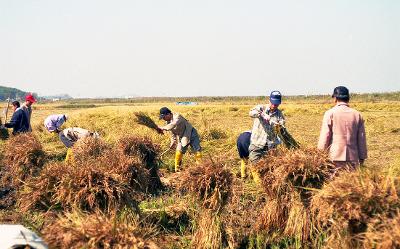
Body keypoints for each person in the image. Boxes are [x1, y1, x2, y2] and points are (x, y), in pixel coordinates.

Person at [318, 86, 367, 171]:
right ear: (348, 98)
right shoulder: (357, 114)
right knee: (351, 183)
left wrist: (319, 155)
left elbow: (325, 136)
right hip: (353, 158)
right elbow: (361, 138)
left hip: (334, 158)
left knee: (334, 183)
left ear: (335, 98)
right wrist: (362, 157)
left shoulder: (330, 113)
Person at [248, 91, 285, 182]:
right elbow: (251, 113)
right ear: (269, 100)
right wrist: (262, 114)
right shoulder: (261, 108)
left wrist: (276, 124)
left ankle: (264, 186)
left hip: (270, 147)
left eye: (277, 104)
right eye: (273, 103)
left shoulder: (279, 115)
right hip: (257, 143)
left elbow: (282, 126)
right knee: (255, 165)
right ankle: (257, 184)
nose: (274, 105)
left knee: (268, 170)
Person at [157, 107, 202, 172]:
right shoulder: (168, 122)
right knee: (178, 152)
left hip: (191, 133)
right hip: (183, 137)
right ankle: (177, 170)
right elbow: (173, 134)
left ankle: (200, 168)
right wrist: (172, 142)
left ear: (168, 114)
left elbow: (173, 124)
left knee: (197, 150)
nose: (163, 119)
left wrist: (163, 128)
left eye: (164, 117)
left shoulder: (177, 116)